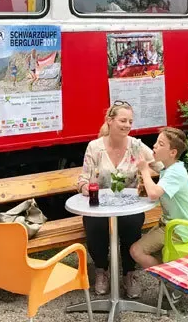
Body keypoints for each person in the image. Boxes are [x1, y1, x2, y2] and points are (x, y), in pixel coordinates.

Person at [77, 101, 158, 298]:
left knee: (132, 224)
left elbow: (161, 165)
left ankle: (129, 274)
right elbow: (82, 180)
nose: (128, 125)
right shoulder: (94, 147)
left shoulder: (136, 146)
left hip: (128, 205)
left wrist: (148, 172)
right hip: (100, 205)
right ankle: (101, 271)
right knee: (95, 226)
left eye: (130, 121)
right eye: (123, 120)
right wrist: (86, 187)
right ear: (110, 121)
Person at [130, 127, 188, 269]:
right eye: (156, 142)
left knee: (136, 251)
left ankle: (168, 277)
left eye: (161, 144)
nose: (154, 146)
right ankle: (171, 270)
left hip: (177, 229)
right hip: (173, 225)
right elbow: (160, 193)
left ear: (172, 152)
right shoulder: (173, 168)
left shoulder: (174, 172)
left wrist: (144, 170)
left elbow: (154, 194)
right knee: (150, 249)